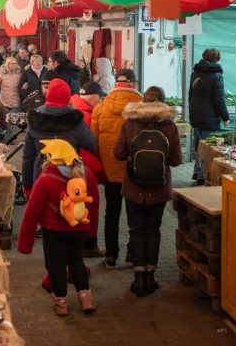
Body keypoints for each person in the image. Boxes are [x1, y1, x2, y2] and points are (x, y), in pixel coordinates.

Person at [114, 86, 182, 296]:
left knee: (136, 230)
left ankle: (138, 279)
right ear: (162, 102)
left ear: (143, 101)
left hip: (133, 187)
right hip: (159, 188)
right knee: (153, 230)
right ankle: (151, 278)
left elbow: (118, 153)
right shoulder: (169, 126)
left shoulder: (130, 123)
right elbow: (177, 160)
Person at [18, 139, 95, 316]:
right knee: (77, 261)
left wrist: (25, 244)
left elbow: (32, 212)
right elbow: (94, 204)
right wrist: (90, 230)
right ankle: (86, 298)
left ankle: (61, 303)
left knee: (57, 265)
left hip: (53, 231)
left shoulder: (45, 179)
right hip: (78, 229)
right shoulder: (86, 174)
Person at [91, 69, 143, 267]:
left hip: (110, 171)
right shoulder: (143, 107)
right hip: (134, 170)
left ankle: (111, 255)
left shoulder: (100, 108)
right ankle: (132, 253)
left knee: (111, 212)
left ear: (116, 84)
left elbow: (93, 142)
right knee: (134, 214)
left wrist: (102, 166)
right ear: (133, 84)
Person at [22, 79, 96, 196]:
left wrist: (27, 185)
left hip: (42, 176)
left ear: (48, 96)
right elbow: (91, 144)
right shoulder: (75, 121)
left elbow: (28, 157)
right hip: (70, 176)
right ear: (68, 98)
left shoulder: (35, 120)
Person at [70, 81, 108, 256]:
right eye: (100, 97)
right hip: (84, 171)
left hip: (75, 170)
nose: (101, 100)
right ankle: (87, 246)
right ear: (93, 96)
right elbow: (85, 150)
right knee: (89, 208)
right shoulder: (84, 116)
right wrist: (100, 171)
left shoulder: (76, 109)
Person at [189, 49, 230, 185]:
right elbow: (219, 100)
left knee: (201, 145)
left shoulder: (196, 73)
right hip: (208, 117)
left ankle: (198, 173)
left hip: (196, 114)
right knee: (207, 148)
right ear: (216, 59)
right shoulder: (216, 76)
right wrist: (225, 117)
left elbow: (191, 95)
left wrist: (192, 110)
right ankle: (203, 175)